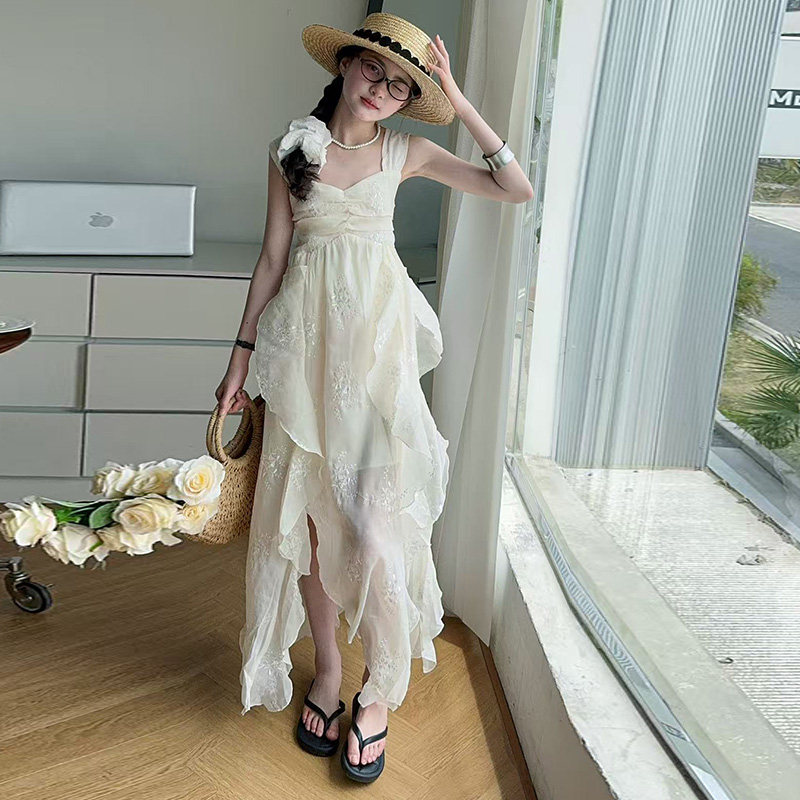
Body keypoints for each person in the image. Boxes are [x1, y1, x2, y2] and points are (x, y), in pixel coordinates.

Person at [214, 11, 533, 784]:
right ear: (346, 64)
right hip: (303, 362)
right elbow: (272, 260)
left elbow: (514, 187)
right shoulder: (292, 149)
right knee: (314, 528)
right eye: (372, 71)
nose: (381, 91)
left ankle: (380, 691)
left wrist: (455, 96)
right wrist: (238, 362)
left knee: (373, 532)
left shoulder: (407, 152)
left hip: (373, 373)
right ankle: (328, 671)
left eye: (400, 87)